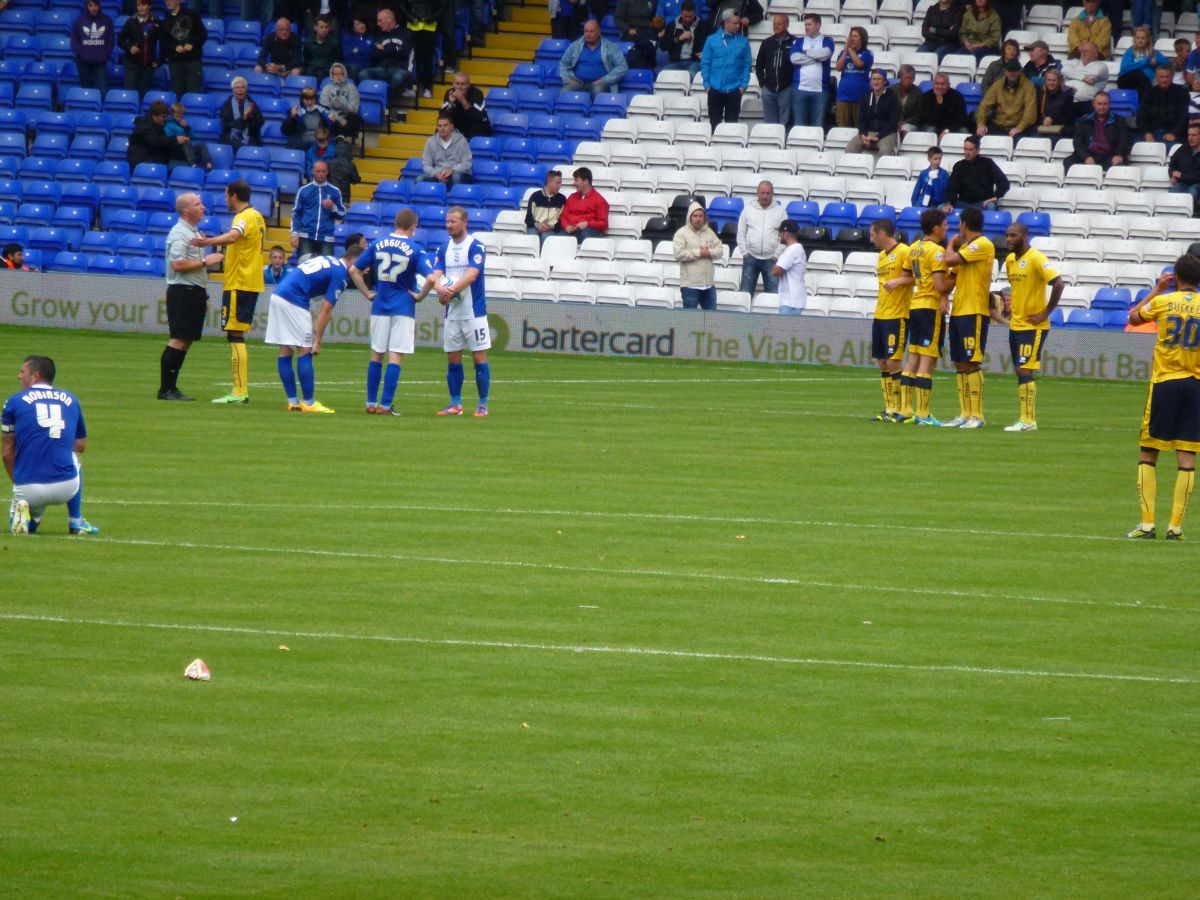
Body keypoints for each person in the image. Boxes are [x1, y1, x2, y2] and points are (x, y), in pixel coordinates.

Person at [1125, 254, 1200, 541]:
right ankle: (1176, 527)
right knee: (1187, 457)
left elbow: (1132, 317)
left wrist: (1157, 289)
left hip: (1165, 383)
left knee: (1148, 453)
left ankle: (1147, 525)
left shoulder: (1163, 301)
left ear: (1175, 276)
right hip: (1195, 385)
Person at [3, 355, 99, 537]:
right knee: (73, 458)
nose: (18, 375)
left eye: (22, 371)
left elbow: (7, 454)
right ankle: (76, 521)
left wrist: (19, 483)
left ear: (35, 375)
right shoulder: (71, 399)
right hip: (66, 487)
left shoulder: (14, 401)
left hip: (28, 486)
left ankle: (26, 517)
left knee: (28, 517)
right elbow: (81, 445)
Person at [191, 180, 267, 405]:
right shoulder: (257, 216)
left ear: (234, 196)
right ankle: (240, 389)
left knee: (234, 335)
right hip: (250, 281)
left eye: (226, 195)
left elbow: (234, 236)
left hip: (239, 282)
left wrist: (208, 241)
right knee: (236, 334)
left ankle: (239, 391)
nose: (225, 199)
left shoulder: (243, 217)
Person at [348, 209, 428, 415]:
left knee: (376, 355)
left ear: (395, 223)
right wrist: (420, 296)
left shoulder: (377, 244)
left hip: (380, 305)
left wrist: (367, 293)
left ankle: (370, 403)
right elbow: (433, 278)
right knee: (395, 356)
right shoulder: (415, 249)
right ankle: (385, 405)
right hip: (402, 307)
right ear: (413, 226)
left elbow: (354, 270)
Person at [264, 241, 359, 414]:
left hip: (279, 294)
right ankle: (309, 402)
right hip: (295, 299)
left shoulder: (331, 260)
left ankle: (293, 402)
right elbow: (326, 310)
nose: (363, 270)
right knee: (305, 349)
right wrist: (318, 340)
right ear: (354, 261)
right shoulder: (341, 274)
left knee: (285, 350)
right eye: (362, 265)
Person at [419, 206, 492, 418]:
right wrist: (440, 290)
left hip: (473, 312)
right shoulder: (443, 249)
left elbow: (471, 275)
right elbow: (435, 275)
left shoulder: (476, 247)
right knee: (453, 358)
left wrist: (449, 291)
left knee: (479, 357)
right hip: (452, 313)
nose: (449, 225)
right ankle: (455, 404)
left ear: (464, 222)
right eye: (447, 221)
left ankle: (482, 404)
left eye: (453, 221)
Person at [999, 222, 1064, 433]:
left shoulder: (1036, 258)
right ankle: (1025, 419)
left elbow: (1058, 283)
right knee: (1019, 369)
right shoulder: (1009, 261)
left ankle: (1028, 421)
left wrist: (1045, 313)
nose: (1008, 239)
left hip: (1033, 326)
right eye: (1007, 235)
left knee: (1023, 368)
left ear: (1024, 237)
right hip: (1016, 324)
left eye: (1013, 235)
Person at [159, 192, 223, 401]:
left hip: (192, 290)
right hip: (183, 290)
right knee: (178, 339)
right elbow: (177, 265)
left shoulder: (192, 231)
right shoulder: (180, 233)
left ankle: (171, 387)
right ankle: (166, 389)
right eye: (198, 204)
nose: (203, 207)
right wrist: (206, 261)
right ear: (187, 210)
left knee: (185, 339)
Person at [940, 205, 996, 429]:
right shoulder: (967, 249)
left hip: (974, 311)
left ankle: (977, 415)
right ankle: (964, 413)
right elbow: (950, 277)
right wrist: (944, 296)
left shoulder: (982, 245)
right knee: (960, 363)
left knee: (972, 362)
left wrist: (951, 243)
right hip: (960, 310)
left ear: (964, 224)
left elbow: (948, 260)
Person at [897, 208, 954, 426]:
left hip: (915, 305)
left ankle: (905, 410)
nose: (947, 228)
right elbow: (940, 285)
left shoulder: (913, 248)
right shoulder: (936, 251)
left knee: (912, 358)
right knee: (927, 362)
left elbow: (907, 277)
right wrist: (957, 276)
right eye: (945, 224)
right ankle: (923, 414)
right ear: (936, 227)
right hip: (930, 307)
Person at [869, 218, 913, 422]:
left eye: (872, 234)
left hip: (897, 315)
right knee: (883, 363)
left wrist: (898, 281)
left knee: (894, 362)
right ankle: (889, 408)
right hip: (880, 315)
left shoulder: (904, 251)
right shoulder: (881, 256)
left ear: (881, 233)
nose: (871, 239)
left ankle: (902, 409)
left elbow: (919, 277)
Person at [700, 9, 751, 128]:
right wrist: (707, 85)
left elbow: (746, 65)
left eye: (739, 23)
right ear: (726, 23)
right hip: (715, 88)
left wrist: (743, 87)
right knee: (714, 124)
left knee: (732, 126)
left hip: (735, 90)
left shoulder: (743, 41)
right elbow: (705, 63)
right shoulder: (712, 40)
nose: (738, 26)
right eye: (735, 23)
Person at [361, 8, 415, 118]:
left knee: (397, 78)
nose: (378, 24)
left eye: (380, 20)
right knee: (363, 74)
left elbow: (404, 52)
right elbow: (375, 54)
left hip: (401, 69)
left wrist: (384, 49)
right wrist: (394, 49)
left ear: (390, 19)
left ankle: (386, 106)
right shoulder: (379, 34)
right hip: (382, 69)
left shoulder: (406, 33)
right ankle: (380, 104)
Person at [291, 159, 346, 261]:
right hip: (306, 236)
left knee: (325, 270)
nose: (321, 174)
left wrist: (333, 207)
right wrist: (294, 234)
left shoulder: (335, 191)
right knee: (305, 269)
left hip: (326, 237)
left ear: (327, 172)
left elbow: (342, 214)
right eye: (318, 171)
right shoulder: (303, 190)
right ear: (313, 171)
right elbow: (296, 213)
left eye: (324, 171)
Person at [672, 201, 724, 310]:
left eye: (701, 216)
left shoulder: (709, 232)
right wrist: (699, 253)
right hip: (690, 286)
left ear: (704, 218)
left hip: (709, 285)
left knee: (711, 321)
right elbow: (679, 254)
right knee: (691, 321)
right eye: (695, 216)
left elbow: (720, 250)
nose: (698, 219)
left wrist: (709, 252)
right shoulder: (681, 233)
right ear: (690, 217)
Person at [736, 180, 783, 296]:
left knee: (773, 297)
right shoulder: (748, 209)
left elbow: (784, 236)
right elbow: (741, 232)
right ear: (757, 193)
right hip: (750, 258)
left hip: (771, 260)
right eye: (762, 193)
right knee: (745, 295)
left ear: (772, 194)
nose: (765, 196)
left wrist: (776, 255)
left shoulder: (780, 211)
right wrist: (744, 252)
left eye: (768, 193)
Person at [1065, 90, 1131, 171]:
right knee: (1068, 162)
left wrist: (1119, 154)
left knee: (1120, 167)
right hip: (1089, 155)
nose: (1102, 107)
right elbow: (1077, 142)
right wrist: (1086, 157)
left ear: (1109, 104)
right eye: (1099, 104)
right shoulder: (1085, 120)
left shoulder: (1119, 120)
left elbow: (1124, 139)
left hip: (1109, 156)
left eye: (1105, 104)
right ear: (1094, 104)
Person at [559, 18, 628, 95]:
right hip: (579, 83)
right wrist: (569, 80)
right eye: (586, 31)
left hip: (601, 84)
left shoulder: (611, 47)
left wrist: (604, 80)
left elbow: (622, 67)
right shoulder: (575, 46)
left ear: (599, 32)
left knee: (597, 90)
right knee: (565, 92)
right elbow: (563, 64)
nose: (588, 34)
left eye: (591, 31)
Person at [788, 12, 834, 129]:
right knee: (799, 126)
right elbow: (794, 59)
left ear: (818, 25)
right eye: (805, 25)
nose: (806, 27)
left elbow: (825, 54)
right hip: (799, 89)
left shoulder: (827, 40)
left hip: (820, 90)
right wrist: (816, 58)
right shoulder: (798, 42)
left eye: (809, 24)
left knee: (817, 126)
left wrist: (806, 52)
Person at [944, 134, 1009, 210]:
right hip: (962, 203)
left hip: (983, 203)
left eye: (970, 150)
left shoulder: (988, 163)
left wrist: (996, 197)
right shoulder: (959, 166)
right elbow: (952, 188)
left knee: (991, 206)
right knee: (942, 207)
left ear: (977, 151)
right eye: (965, 149)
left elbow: (1004, 182)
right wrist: (950, 203)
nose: (967, 152)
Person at [975, 60, 1037, 138]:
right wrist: (981, 124)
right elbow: (983, 106)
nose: (1012, 73)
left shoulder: (1028, 86)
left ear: (1019, 72)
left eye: (1015, 71)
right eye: (1010, 71)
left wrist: (1019, 128)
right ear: (1005, 72)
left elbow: (1030, 113)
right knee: (980, 137)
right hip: (999, 124)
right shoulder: (997, 85)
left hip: (1019, 126)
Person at [846, 69, 900, 155]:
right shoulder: (865, 97)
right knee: (850, 148)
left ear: (885, 81)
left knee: (885, 150)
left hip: (886, 134)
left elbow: (893, 124)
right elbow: (861, 120)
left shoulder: (892, 97)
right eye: (874, 79)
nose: (876, 82)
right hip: (867, 133)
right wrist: (863, 134)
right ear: (870, 81)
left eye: (879, 79)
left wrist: (878, 137)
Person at [160, 0, 206, 96]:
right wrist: (174, 47)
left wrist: (192, 44)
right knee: (177, 94)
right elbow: (164, 42)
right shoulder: (165, 21)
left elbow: (202, 34)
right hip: (175, 63)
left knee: (194, 93)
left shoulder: (191, 14)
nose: (168, 2)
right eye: (166, 0)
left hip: (192, 62)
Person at [755, 13, 793, 128]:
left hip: (787, 89)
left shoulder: (795, 42)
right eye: (774, 24)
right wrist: (763, 84)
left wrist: (792, 85)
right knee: (769, 125)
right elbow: (759, 66)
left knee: (785, 124)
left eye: (779, 24)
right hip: (769, 89)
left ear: (786, 25)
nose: (775, 26)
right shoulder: (766, 43)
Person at [1137, 66, 1188, 148]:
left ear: (1172, 77)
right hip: (1152, 133)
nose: (1164, 80)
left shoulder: (1182, 92)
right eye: (1161, 77)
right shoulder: (1149, 93)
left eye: (1167, 77)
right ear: (1156, 78)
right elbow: (1141, 116)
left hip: (1174, 134)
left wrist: (1174, 133)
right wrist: (1146, 133)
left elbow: (1184, 116)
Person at [117, 0, 159, 99]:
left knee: (143, 94)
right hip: (132, 63)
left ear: (149, 6)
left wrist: (158, 60)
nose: (140, 7)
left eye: (143, 5)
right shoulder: (131, 21)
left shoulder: (156, 22)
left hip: (148, 66)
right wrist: (130, 47)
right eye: (138, 5)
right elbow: (120, 40)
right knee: (129, 94)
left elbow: (164, 41)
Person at [72, 0, 115, 95]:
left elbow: (110, 40)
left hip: (100, 63)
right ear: (87, 6)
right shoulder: (80, 20)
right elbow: (74, 40)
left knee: (103, 92)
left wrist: (105, 55)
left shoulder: (107, 20)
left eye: (95, 5)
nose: (93, 8)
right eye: (90, 5)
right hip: (83, 63)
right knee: (86, 92)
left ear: (99, 6)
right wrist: (80, 54)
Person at [128, 100, 187, 168]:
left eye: (166, 117)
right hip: (143, 163)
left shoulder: (159, 126)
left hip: (155, 161)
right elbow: (155, 141)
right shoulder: (143, 127)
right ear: (154, 116)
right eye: (163, 117)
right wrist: (176, 139)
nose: (165, 119)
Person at [833, 26, 872, 127]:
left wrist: (850, 50)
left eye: (856, 36)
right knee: (843, 127)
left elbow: (859, 64)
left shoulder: (867, 54)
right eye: (851, 36)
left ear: (862, 39)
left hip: (860, 96)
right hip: (843, 95)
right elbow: (838, 67)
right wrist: (845, 52)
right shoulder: (843, 53)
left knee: (859, 127)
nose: (852, 39)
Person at [404, 0, 443, 100]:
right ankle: (412, 86)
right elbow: (403, 6)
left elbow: (441, 7)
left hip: (429, 28)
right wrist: (411, 18)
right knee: (413, 59)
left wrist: (430, 18)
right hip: (413, 27)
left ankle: (427, 88)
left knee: (427, 59)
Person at [419, 115, 472, 187]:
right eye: (439, 126)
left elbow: (467, 163)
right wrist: (436, 174)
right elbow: (426, 165)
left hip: (458, 174)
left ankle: (453, 197)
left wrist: (452, 170)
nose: (442, 128)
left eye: (445, 125)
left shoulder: (462, 140)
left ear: (452, 126)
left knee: (456, 177)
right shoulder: (430, 142)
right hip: (439, 175)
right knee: (420, 179)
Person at [560, 166, 609, 242]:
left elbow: (604, 224)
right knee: (559, 237)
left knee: (586, 234)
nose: (574, 183)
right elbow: (564, 216)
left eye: (576, 180)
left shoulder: (599, 200)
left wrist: (587, 224)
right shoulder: (572, 197)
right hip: (572, 231)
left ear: (586, 181)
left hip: (590, 231)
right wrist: (566, 226)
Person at [661, 0, 708, 77]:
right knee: (665, 75)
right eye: (685, 16)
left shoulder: (703, 26)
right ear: (681, 13)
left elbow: (712, 44)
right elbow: (663, 46)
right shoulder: (672, 26)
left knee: (693, 74)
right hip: (676, 62)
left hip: (695, 62)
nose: (688, 19)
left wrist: (705, 52)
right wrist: (679, 39)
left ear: (695, 13)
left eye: (690, 17)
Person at [916, 72, 969, 140]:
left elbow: (962, 119)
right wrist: (938, 103)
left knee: (964, 131)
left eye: (943, 84)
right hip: (933, 127)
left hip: (952, 128)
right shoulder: (927, 96)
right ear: (933, 84)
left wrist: (947, 131)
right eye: (937, 84)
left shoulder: (957, 96)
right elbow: (929, 120)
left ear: (948, 85)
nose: (940, 86)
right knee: (930, 130)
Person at [1062, 40, 1110, 113]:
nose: (1083, 53)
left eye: (1086, 51)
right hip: (1067, 101)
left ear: (1095, 54)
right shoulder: (1074, 62)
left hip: (1087, 103)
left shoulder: (1102, 67)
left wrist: (1072, 74)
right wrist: (1083, 78)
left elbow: (1094, 73)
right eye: (1082, 50)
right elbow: (1063, 69)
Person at [440, 72, 492, 139]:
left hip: (476, 127)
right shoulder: (449, 93)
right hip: (458, 127)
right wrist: (451, 104)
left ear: (468, 85)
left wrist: (463, 100)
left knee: (476, 127)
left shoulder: (477, 94)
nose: (460, 87)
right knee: (441, 128)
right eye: (457, 84)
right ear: (453, 84)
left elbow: (478, 118)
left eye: (463, 84)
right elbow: (442, 116)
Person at [320, 63, 363, 142]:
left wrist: (342, 106)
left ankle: (340, 136)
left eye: (340, 74)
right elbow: (324, 109)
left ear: (345, 74)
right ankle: (341, 135)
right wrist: (340, 120)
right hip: (333, 118)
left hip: (348, 118)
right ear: (331, 75)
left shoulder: (351, 88)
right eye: (335, 74)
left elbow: (354, 109)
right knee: (327, 117)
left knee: (356, 118)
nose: (338, 76)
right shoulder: (326, 89)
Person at [771, 219, 807, 314]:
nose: (779, 235)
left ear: (786, 234)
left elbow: (776, 271)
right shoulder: (795, 249)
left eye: (780, 233)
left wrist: (775, 264)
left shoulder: (792, 250)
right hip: (793, 300)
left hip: (791, 301)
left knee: (786, 329)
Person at [164, 101, 213, 170]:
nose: (180, 115)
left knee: (201, 145)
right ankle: (192, 164)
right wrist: (182, 138)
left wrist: (187, 127)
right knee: (186, 142)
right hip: (176, 149)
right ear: (172, 113)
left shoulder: (183, 123)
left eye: (181, 113)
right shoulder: (169, 125)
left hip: (187, 149)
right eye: (177, 113)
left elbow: (193, 136)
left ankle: (208, 163)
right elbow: (169, 138)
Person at [1117, 26, 1168, 92]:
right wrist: (1144, 62)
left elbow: (1167, 63)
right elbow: (1124, 68)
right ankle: (1150, 93)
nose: (1140, 40)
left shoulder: (1153, 52)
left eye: (1143, 38)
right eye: (1138, 38)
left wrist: (1157, 62)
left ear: (1148, 39)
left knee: (1140, 89)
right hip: (1126, 80)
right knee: (1138, 74)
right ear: (1134, 39)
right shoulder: (1130, 51)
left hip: (1142, 84)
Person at [283, 87, 334, 152]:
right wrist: (291, 118)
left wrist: (332, 122)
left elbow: (330, 131)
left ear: (316, 99)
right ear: (302, 99)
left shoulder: (324, 111)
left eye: (312, 99)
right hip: (299, 146)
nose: (310, 102)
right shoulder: (295, 112)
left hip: (319, 145)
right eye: (307, 99)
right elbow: (285, 131)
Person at [219, 76, 264, 149]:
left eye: (242, 88)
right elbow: (227, 125)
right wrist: (244, 118)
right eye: (237, 88)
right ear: (233, 91)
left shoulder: (252, 105)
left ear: (246, 90)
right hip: (230, 137)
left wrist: (251, 117)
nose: (240, 90)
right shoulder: (226, 105)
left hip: (249, 137)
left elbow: (260, 123)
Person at [525, 169, 566, 245]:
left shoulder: (562, 199)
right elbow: (528, 218)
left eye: (560, 183)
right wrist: (538, 225)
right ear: (549, 182)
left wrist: (551, 226)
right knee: (532, 237)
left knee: (546, 237)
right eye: (557, 183)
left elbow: (562, 220)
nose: (560, 186)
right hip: (535, 228)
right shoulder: (535, 196)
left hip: (551, 230)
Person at [1169, 122, 1200, 208]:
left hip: (1197, 184)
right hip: (1183, 183)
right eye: (1189, 135)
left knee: (1192, 192)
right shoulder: (1184, 148)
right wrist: (1173, 175)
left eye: (1194, 135)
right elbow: (1172, 163)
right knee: (1173, 192)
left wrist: (1182, 176)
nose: (1190, 138)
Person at [1036, 69, 1076, 135]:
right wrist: (1044, 120)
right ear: (1045, 81)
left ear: (1059, 81)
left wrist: (1053, 119)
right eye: (1049, 80)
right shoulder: (1041, 94)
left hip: (1062, 128)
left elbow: (1068, 116)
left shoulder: (1066, 94)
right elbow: (1037, 114)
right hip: (1044, 126)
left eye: (1054, 80)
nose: (1051, 83)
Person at [892, 64, 921, 136]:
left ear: (914, 79)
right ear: (900, 77)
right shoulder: (891, 90)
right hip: (892, 121)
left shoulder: (918, 92)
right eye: (905, 78)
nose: (907, 81)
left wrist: (904, 122)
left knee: (904, 129)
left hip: (910, 123)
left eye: (910, 78)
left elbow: (919, 114)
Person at [342, 15, 374, 81]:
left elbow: (371, 54)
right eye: (358, 24)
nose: (362, 26)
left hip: (367, 67)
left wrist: (358, 50)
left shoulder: (371, 37)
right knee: (353, 68)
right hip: (350, 66)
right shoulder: (348, 37)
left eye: (363, 23)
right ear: (353, 27)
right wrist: (364, 51)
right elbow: (348, 54)